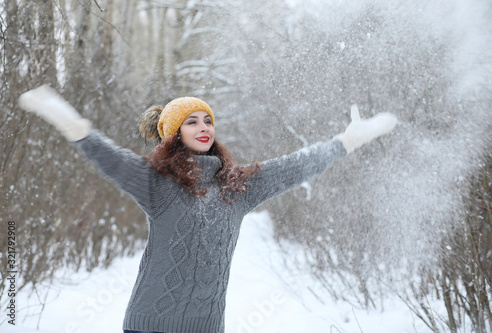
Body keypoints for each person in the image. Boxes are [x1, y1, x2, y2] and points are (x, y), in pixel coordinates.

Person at [18, 85, 397, 333]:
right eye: (191, 122)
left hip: (207, 326)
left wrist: (345, 142)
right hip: (149, 325)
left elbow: (293, 167)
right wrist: (70, 121)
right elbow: (109, 157)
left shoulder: (236, 188)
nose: (204, 127)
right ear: (173, 134)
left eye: (208, 120)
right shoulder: (157, 184)